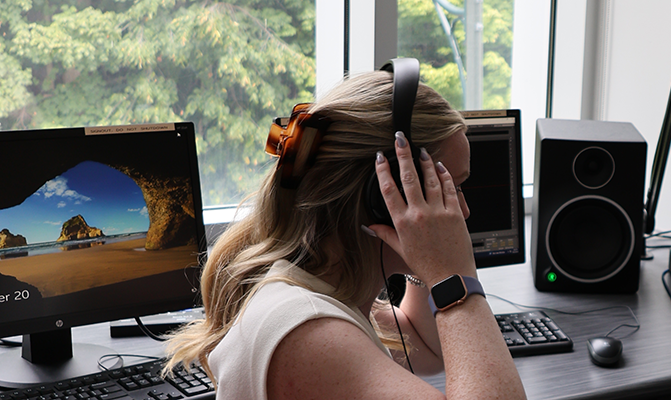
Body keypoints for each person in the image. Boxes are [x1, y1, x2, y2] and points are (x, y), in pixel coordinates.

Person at [163, 70, 526, 399]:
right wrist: (454, 277)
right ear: (382, 197)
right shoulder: (311, 334)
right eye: (449, 189)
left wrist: (430, 262)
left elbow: (429, 349)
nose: (462, 212)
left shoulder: (321, 290)